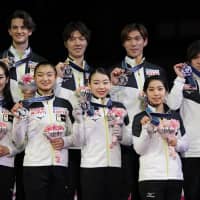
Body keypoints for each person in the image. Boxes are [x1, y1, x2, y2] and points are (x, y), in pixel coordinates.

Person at [109, 23, 167, 200]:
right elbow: (107, 103)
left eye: (137, 39)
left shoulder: (157, 71)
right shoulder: (114, 72)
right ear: (123, 44)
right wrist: (113, 85)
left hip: (152, 138)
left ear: (145, 41)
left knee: (149, 191)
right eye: (128, 40)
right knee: (126, 190)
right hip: (126, 139)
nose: (133, 44)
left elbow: (168, 105)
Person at [0, 10, 47, 200]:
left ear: (30, 31)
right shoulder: (1, 59)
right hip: (6, 127)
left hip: (33, 126)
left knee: (29, 185)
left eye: (24, 27)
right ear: (9, 31)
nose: (19, 31)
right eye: (15, 27)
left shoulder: (41, 63)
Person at [11, 61, 74, 200]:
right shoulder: (25, 105)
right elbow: (18, 142)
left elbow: (75, 136)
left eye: (49, 75)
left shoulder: (65, 104)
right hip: (34, 167)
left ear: (56, 77)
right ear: (34, 78)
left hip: (60, 166)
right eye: (40, 75)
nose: (45, 79)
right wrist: (19, 119)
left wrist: (65, 141)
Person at [72, 67, 132, 200]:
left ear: (110, 84)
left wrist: (121, 134)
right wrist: (78, 121)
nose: (101, 87)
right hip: (91, 167)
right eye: (96, 82)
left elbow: (129, 140)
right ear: (89, 85)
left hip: (115, 167)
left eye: (105, 82)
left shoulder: (119, 107)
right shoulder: (83, 107)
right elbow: (77, 142)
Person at [132, 75, 188, 200]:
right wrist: (147, 129)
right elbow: (139, 150)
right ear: (145, 93)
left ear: (166, 92)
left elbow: (185, 145)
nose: (156, 93)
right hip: (151, 177)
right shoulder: (140, 118)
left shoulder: (175, 116)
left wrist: (176, 143)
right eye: (151, 89)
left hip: (175, 177)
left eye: (160, 89)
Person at [55, 21, 92, 200]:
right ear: (65, 43)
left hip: (91, 146)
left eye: (81, 38)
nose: (77, 43)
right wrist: (57, 79)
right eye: (72, 39)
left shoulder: (95, 76)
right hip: (65, 145)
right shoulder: (57, 73)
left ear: (87, 42)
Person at [167, 40, 200, 200]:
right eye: (196, 57)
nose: (199, 61)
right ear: (190, 60)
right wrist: (179, 80)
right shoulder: (184, 81)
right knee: (192, 194)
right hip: (192, 149)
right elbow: (172, 104)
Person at [0, 61, 17, 200]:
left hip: (5, 164)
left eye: (0, 77)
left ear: (7, 79)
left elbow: (23, 139)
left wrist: (10, 150)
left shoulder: (14, 107)